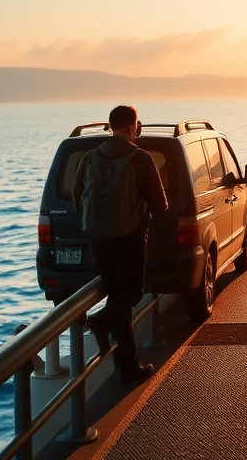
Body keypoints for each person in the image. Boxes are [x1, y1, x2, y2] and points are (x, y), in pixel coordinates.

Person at [73, 105, 168, 384]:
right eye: (137, 125)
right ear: (131, 127)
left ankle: (128, 366)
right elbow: (160, 205)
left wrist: (94, 223)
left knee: (118, 296)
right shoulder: (140, 158)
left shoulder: (90, 158)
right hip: (130, 238)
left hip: (98, 239)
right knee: (134, 292)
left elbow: (77, 196)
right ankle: (101, 323)